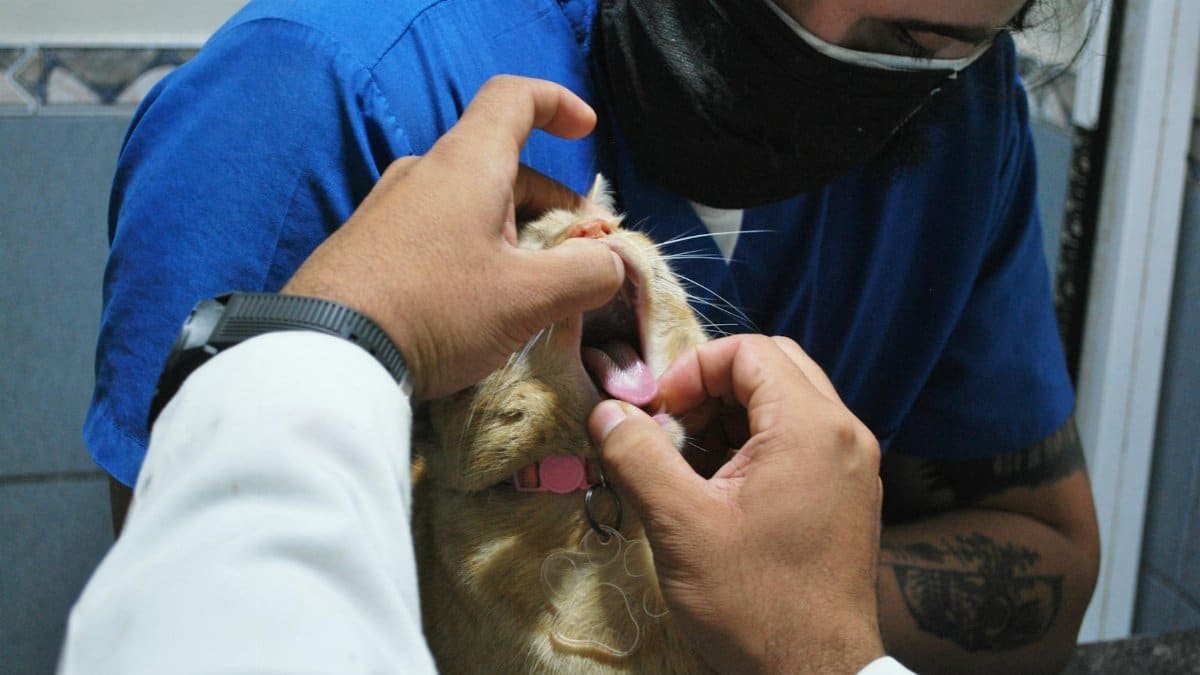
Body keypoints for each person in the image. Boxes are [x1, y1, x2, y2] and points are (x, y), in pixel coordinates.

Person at [85, 0, 1100, 671]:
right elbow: (204, 619)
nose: (853, 44)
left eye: (924, 42)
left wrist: (782, 612)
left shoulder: (965, 116)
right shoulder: (325, 89)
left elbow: (1049, 558)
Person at [59, 77, 908, 674]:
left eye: (619, 227)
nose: (592, 238)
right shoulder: (309, 83)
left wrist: (335, 321)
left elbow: (219, 622)